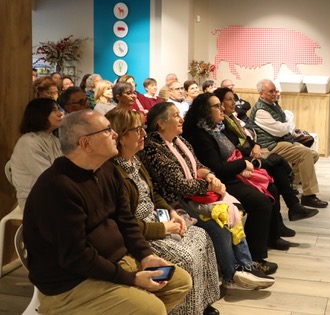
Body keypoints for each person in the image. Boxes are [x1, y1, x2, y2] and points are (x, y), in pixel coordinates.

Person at [22, 110, 192, 314]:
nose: (114, 135)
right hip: (70, 282)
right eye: (107, 130)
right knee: (152, 309)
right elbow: (76, 257)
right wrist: (131, 279)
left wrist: (145, 255)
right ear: (86, 143)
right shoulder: (57, 188)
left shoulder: (107, 170)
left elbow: (126, 220)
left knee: (180, 282)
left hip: (112, 262)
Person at [140, 102, 276, 289]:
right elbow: (179, 185)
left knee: (234, 211)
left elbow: (198, 166)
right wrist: (210, 186)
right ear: (161, 123)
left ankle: (245, 266)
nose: (181, 119)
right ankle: (231, 276)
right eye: (176, 115)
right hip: (174, 201)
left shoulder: (180, 141)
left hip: (194, 194)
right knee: (219, 226)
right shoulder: (153, 147)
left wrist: (211, 177)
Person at [105, 108, 221, 315]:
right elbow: (125, 222)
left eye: (142, 128)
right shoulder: (114, 171)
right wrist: (163, 227)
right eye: (137, 130)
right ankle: (183, 310)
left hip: (157, 219)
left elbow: (152, 195)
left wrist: (171, 212)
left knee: (203, 236)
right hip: (142, 233)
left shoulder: (135, 161)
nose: (143, 134)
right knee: (185, 256)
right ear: (121, 137)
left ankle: (202, 302)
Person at [182, 93, 289, 254]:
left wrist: (245, 162)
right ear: (204, 110)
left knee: (271, 186)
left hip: (233, 173)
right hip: (220, 180)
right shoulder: (200, 135)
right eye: (217, 106)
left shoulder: (217, 128)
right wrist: (243, 164)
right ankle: (256, 256)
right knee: (261, 201)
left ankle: (271, 237)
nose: (222, 109)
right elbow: (217, 167)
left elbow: (238, 149)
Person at [214, 86, 318, 224]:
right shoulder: (224, 124)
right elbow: (279, 130)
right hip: (261, 149)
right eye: (229, 100)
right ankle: (297, 201)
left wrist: (255, 145)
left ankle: (288, 210)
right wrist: (253, 150)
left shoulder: (232, 119)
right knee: (284, 161)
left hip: (259, 149)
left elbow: (248, 138)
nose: (234, 102)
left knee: (299, 158)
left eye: (234, 99)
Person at [249, 79, 328, 209]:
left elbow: (285, 124)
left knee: (313, 155)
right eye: (271, 91)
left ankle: (289, 183)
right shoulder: (261, 111)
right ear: (261, 94)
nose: (275, 93)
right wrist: (289, 125)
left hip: (281, 141)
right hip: (270, 145)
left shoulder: (273, 105)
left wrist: (288, 126)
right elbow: (280, 130)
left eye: (275, 90)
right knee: (306, 154)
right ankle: (308, 195)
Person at [5, 98, 63, 210]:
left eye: (58, 109)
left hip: (51, 192)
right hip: (35, 199)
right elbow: (48, 177)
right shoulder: (29, 142)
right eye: (54, 110)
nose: (60, 114)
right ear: (40, 114)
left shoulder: (52, 139)